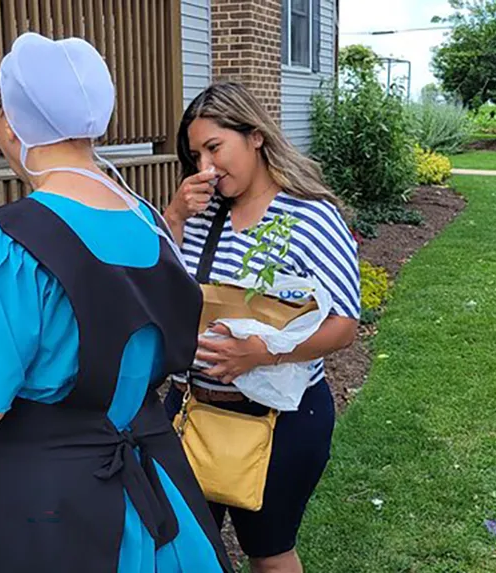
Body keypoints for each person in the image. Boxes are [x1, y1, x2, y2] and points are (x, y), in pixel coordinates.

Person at [0, 33, 233, 573]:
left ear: (9, 118)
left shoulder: (6, 245)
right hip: (153, 483)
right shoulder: (150, 224)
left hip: (47, 512)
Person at [162, 82, 361, 573]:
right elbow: (158, 290)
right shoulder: (200, 215)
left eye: (214, 148)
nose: (205, 167)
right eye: (195, 155)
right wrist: (172, 216)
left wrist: (260, 353)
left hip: (281, 422)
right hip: (193, 412)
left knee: (268, 552)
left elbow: (344, 326)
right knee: (183, 547)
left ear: (254, 136)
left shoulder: (309, 218)